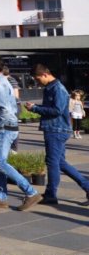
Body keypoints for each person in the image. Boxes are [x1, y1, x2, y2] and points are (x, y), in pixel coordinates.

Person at [0, 55, 41, 210]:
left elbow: (4, 109)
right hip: (5, 127)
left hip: (3, 128)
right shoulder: (2, 82)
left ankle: (30, 192)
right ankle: (1, 196)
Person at [25, 64, 89, 205]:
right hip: (56, 129)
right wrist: (36, 108)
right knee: (60, 163)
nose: (37, 82)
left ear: (44, 75)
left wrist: (35, 108)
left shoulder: (57, 88)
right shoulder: (52, 87)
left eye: (37, 79)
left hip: (56, 130)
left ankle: (51, 194)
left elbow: (57, 110)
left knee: (52, 162)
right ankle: (87, 187)